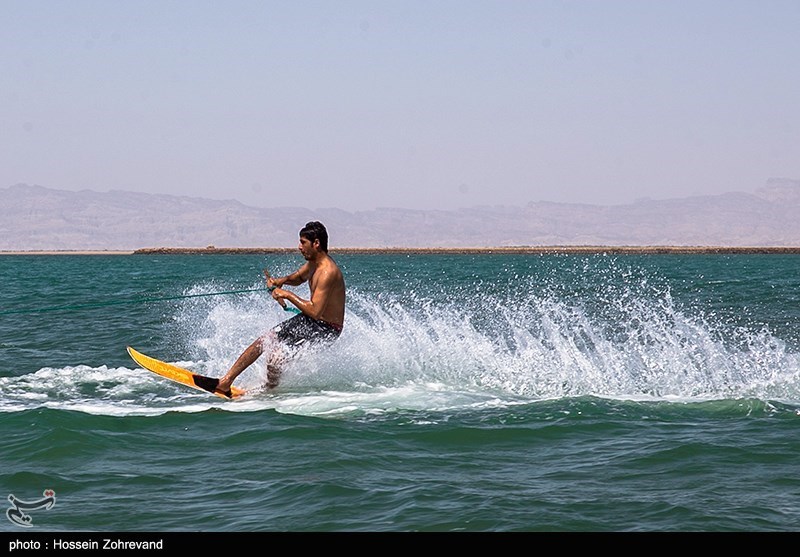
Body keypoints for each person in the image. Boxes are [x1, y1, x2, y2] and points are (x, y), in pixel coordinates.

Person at [214, 221, 346, 395]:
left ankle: (226, 382)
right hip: (314, 322)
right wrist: (279, 281)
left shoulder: (327, 272)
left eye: (303, 242)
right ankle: (269, 391)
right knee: (273, 353)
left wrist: (286, 294)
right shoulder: (314, 263)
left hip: (326, 328)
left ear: (316, 243)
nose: (299, 247)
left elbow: (315, 311)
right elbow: (298, 278)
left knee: (268, 343)